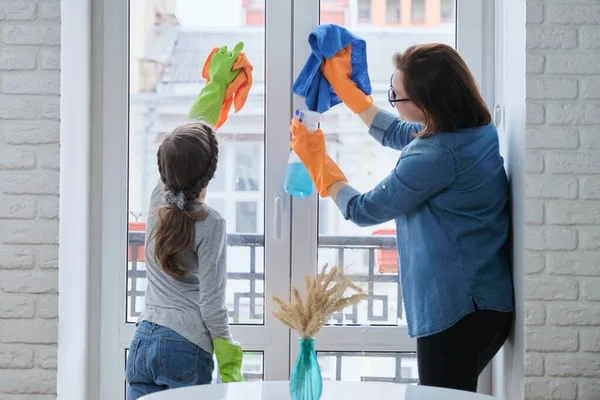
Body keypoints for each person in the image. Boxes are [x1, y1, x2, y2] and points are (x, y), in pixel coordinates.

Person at [290, 43, 515, 392]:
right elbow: (399, 132)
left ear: (429, 103)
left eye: (397, 96)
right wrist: (347, 91)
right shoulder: (473, 130)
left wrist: (319, 164)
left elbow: (363, 209)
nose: (392, 99)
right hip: (486, 303)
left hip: (459, 311)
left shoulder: (436, 154)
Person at [125, 45, 245, 400]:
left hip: (143, 341)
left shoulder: (156, 199)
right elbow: (211, 302)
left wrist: (215, 86)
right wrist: (226, 348)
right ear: (209, 175)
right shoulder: (211, 223)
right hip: (185, 346)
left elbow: (185, 140)